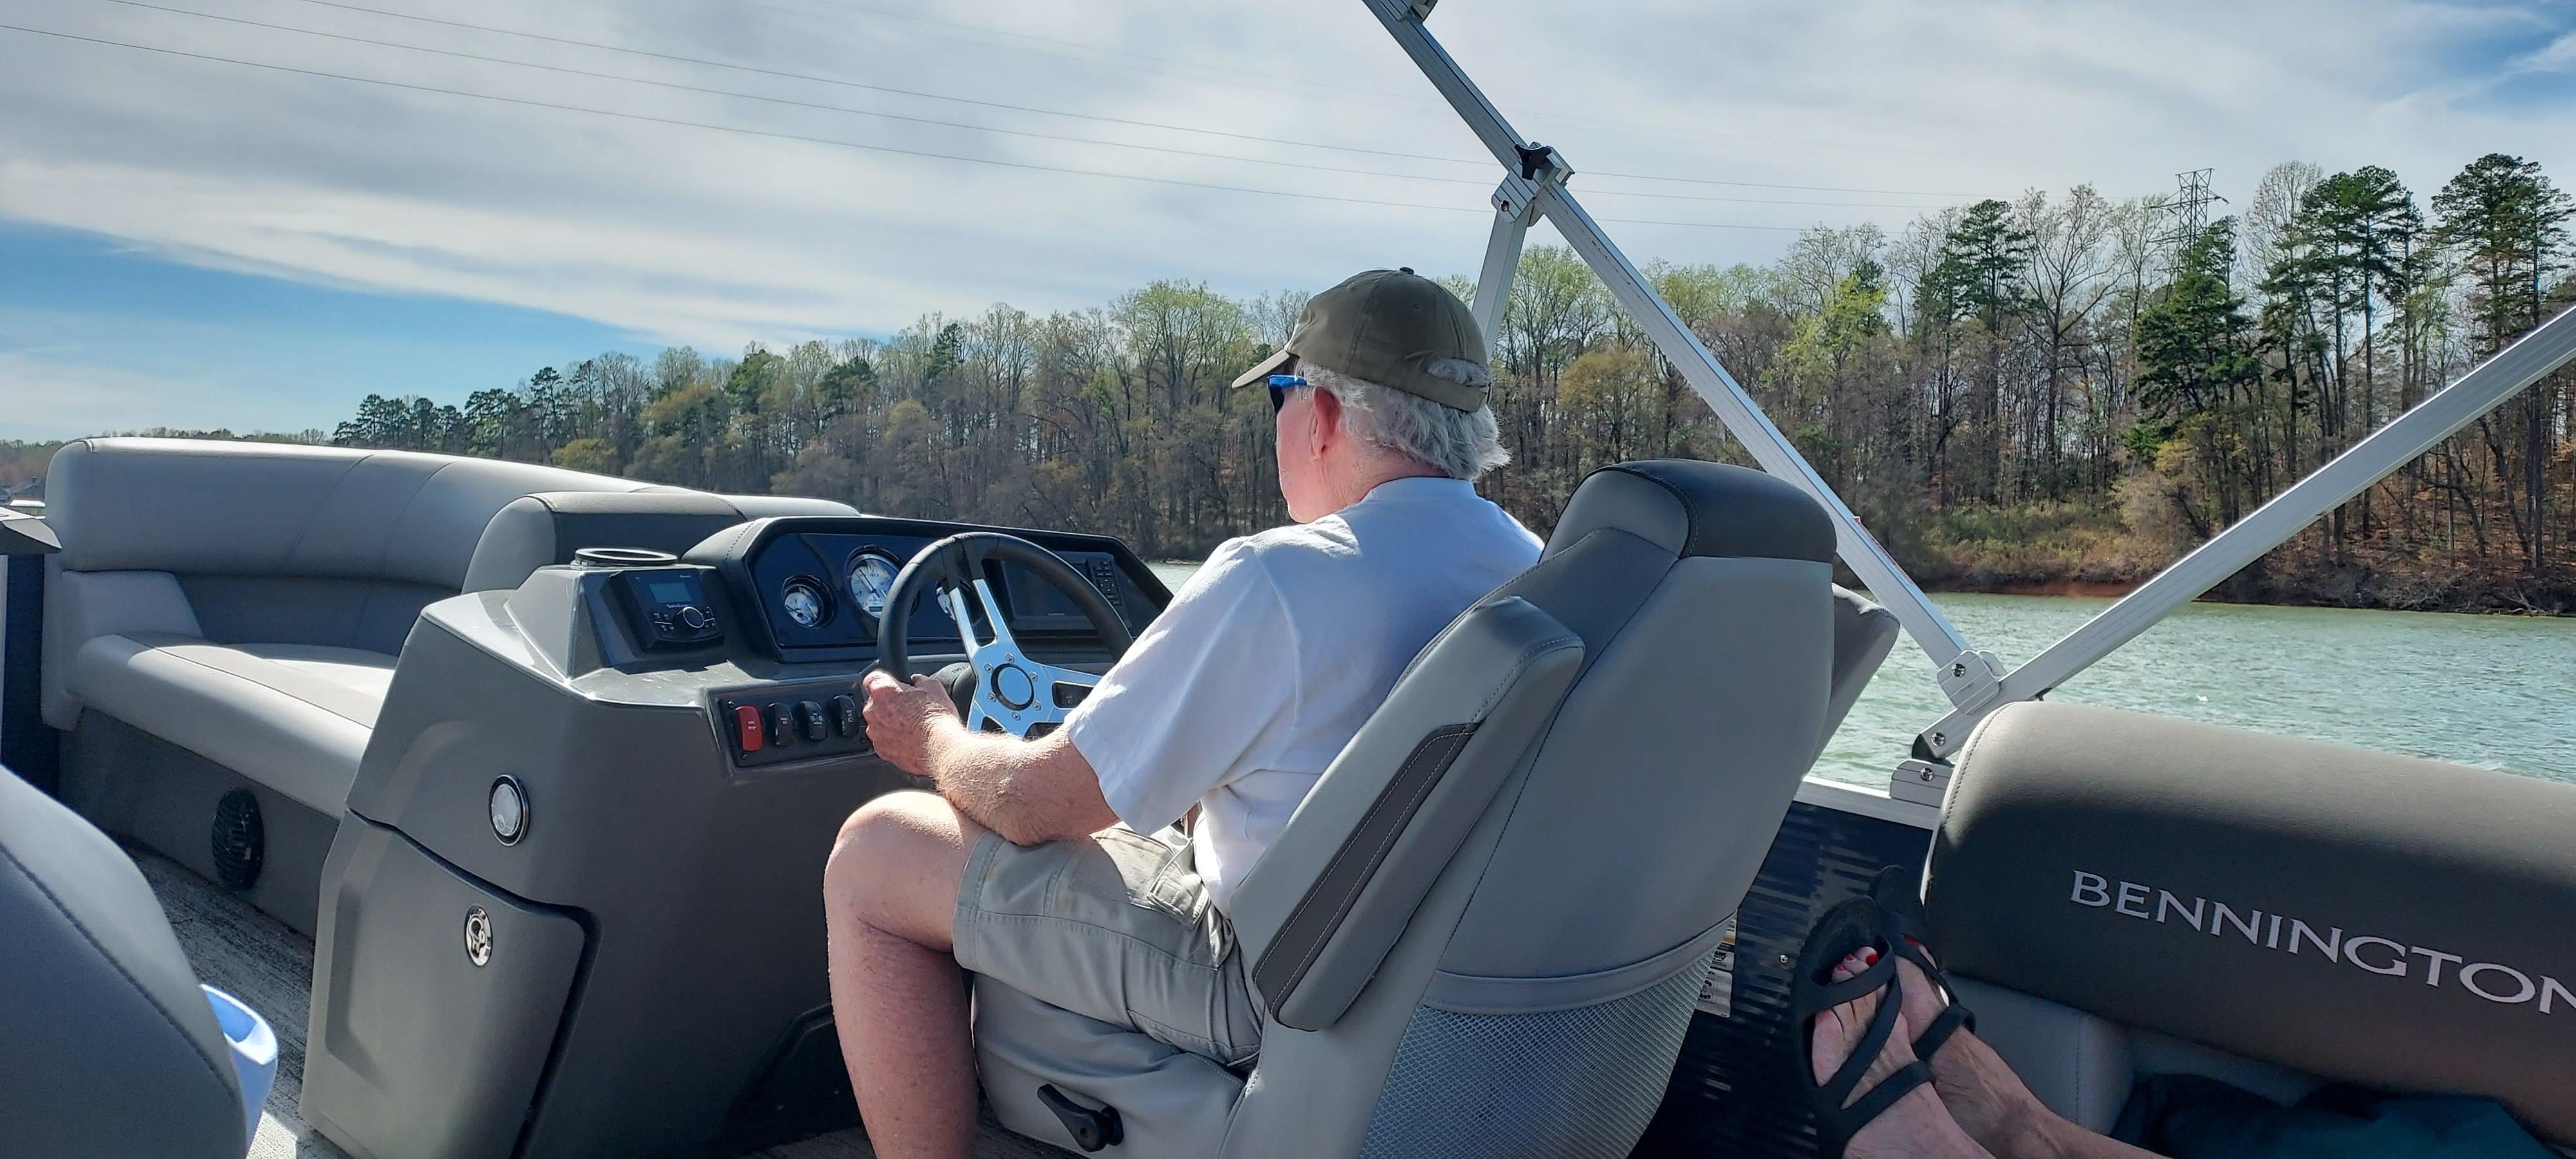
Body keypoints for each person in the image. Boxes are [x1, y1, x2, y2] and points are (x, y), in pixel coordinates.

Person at [822, 269, 1541, 1158]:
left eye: (1279, 397)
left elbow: (1032, 805)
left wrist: (932, 735)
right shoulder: (1541, 571)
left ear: (1318, 415)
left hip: (1273, 983)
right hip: (1436, 983)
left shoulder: (1280, 579)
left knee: (878, 850)